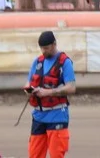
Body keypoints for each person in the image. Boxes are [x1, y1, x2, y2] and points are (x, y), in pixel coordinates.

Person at [23, 30, 76, 158]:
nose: (44, 51)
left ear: (54, 44)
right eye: (41, 48)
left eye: (46, 48)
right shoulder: (37, 62)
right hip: (38, 117)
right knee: (34, 155)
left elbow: (71, 87)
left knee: (56, 154)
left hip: (57, 115)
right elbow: (28, 82)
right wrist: (28, 91)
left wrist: (48, 92)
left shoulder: (65, 62)